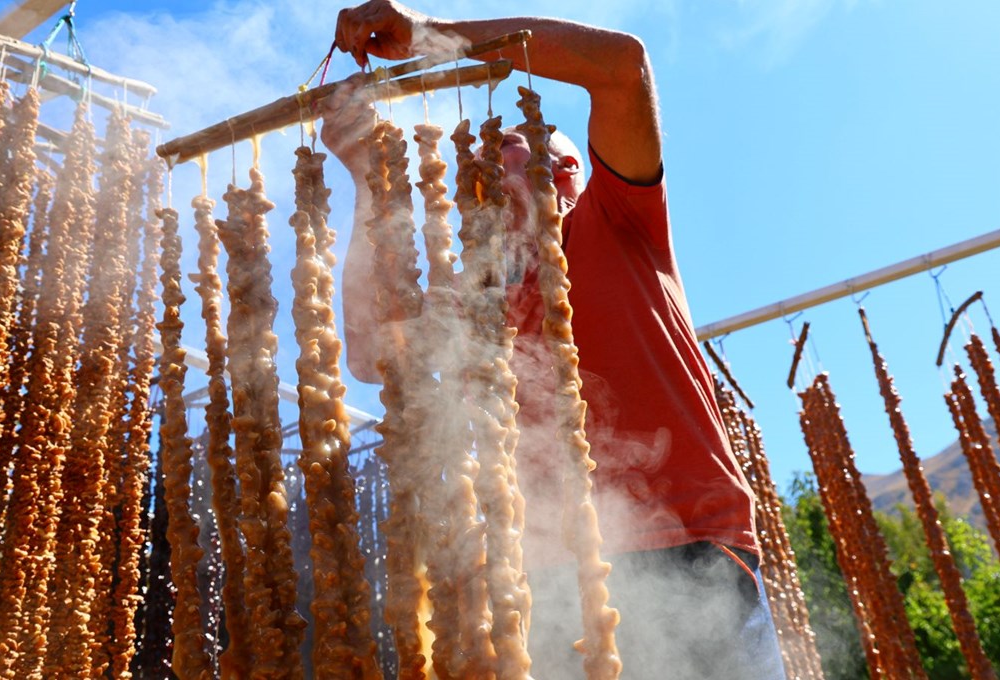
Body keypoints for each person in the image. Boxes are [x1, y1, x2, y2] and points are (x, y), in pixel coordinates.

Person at [324, 2, 788, 678]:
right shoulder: (467, 300)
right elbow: (371, 354)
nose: (474, 174)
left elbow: (622, 68)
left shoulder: (618, 221)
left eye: (503, 151)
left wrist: (432, 36)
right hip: (535, 574)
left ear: (565, 173)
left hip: (686, 543)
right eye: (471, 166)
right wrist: (368, 176)